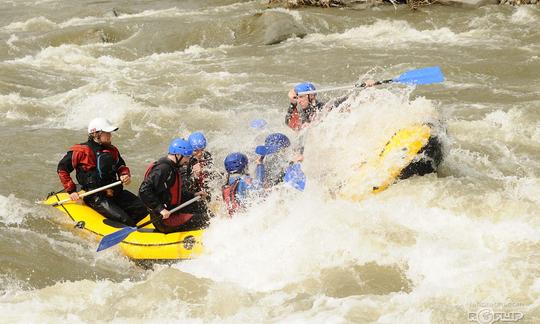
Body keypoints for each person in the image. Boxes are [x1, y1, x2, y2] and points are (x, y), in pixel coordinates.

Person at [57, 117, 147, 226]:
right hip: (95, 196)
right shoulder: (80, 151)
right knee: (124, 220)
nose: (110, 135)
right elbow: (62, 169)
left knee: (143, 209)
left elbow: (121, 166)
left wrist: (124, 175)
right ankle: (127, 226)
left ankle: (135, 227)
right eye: (107, 132)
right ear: (96, 134)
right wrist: (71, 191)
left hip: (115, 191)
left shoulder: (112, 150)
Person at [138, 138, 208, 233]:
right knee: (207, 219)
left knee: (202, 208)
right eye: (186, 157)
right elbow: (144, 190)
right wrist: (160, 209)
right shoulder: (163, 169)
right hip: (165, 220)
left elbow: (173, 193)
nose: (188, 160)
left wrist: (193, 195)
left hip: (173, 211)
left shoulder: (172, 167)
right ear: (178, 155)